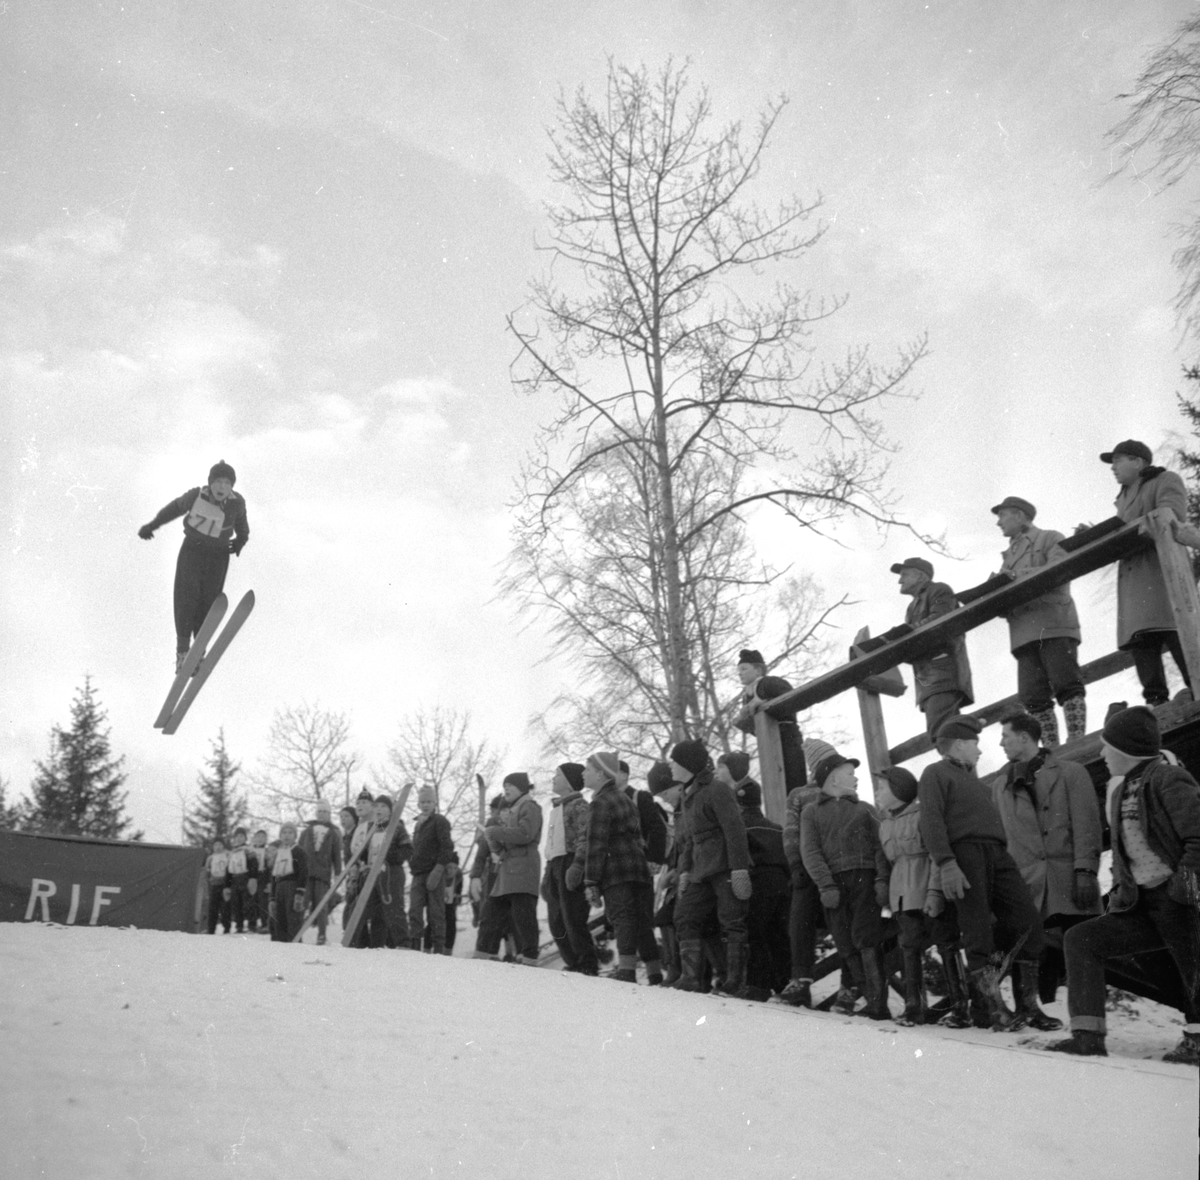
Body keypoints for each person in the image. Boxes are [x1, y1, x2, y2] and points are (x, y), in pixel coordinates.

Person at [1050, 707, 1200, 1063]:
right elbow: (1123, 856)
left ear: (1127, 750)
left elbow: (1198, 838)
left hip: (1178, 900)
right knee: (1082, 939)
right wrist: (1120, 894)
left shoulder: (1168, 779)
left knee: (1194, 967)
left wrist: (1183, 890)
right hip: (1140, 903)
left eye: (1108, 746)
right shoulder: (1120, 792)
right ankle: (1087, 1036)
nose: (1103, 754)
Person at [917, 715, 1050, 1030]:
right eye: (974, 744)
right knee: (977, 930)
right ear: (959, 744)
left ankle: (1028, 1006)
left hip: (997, 854)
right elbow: (931, 821)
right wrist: (947, 864)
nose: (979, 751)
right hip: (964, 855)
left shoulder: (978, 783)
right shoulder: (935, 773)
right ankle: (993, 1010)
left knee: (1028, 921)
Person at [992, 711, 1102, 1013]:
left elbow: (1087, 824)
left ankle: (1082, 1019)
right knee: (1031, 949)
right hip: (1026, 882)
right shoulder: (1000, 786)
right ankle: (1036, 1012)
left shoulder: (1071, 773)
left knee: (1077, 949)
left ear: (1024, 738)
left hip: (1068, 878)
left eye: (1005, 736)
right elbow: (1001, 839)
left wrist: (1085, 871)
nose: (1001, 743)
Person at [800, 751, 891, 1020]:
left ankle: (878, 1004)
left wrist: (881, 879)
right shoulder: (811, 812)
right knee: (844, 940)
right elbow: (810, 851)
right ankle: (870, 997)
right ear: (833, 778)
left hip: (865, 879)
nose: (855, 778)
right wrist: (825, 885)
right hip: (834, 885)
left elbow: (880, 847)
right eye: (850, 774)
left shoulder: (865, 809)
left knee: (867, 937)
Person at [991, 496, 1086, 746]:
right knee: (1032, 696)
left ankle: (1077, 741)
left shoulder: (1050, 538)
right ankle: (1051, 748)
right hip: (1023, 633)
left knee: (1066, 683)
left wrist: (1013, 576)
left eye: (1003, 516)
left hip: (1053, 624)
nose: (999, 523)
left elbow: (1060, 568)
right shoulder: (1007, 557)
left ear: (1020, 516)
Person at [137, 460, 249, 672]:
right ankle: (182, 652)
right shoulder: (196, 496)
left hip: (218, 556)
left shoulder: (237, 503)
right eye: (218, 482)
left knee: (208, 602)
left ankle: (198, 653)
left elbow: (242, 525)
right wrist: (152, 525)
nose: (222, 487)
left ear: (232, 486)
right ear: (210, 483)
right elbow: (173, 509)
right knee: (187, 598)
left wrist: (240, 541)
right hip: (192, 552)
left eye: (227, 483)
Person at [1104, 440, 1192, 705]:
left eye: (1118, 461)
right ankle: (1157, 706)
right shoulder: (1122, 498)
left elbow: (1172, 515)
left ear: (1138, 462)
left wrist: (1122, 531)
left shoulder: (1164, 480)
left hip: (1161, 573)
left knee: (1180, 637)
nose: (1113, 468)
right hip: (1134, 584)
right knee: (1143, 644)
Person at [876, 765, 965, 1027]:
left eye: (882, 788)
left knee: (946, 944)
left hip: (927, 890)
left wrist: (935, 892)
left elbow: (936, 854)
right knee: (908, 948)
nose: (877, 793)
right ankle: (913, 1008)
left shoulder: (923, 815)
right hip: (901, 897)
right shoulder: (884, 825)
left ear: (898, 790)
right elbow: (886, 862)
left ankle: (961, 1008)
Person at [669, 739, 752, 995]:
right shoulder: (687, 795)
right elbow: (688, 839)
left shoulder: (717, 789)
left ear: (687, 764)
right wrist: (684, 871)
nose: (671, 766)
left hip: (725, 865)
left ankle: (735, 982)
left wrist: (739, 869)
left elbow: (734, 830)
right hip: (699, 869)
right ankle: (690, 979)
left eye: (675, 761)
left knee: (732, 920)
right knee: (685, 915)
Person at [581, 752, 660, 984]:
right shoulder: (624, 798)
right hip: (638, 868)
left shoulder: (600, 803)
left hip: (615, 869)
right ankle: (655, 973)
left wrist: (591, 881)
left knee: (622, 918)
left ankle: (627, 972)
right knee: (642, 922)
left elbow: (596, 844)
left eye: (587, 769)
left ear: (600, 773)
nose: (583, 773)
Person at [728, 755, 791, 1000]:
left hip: (758, 882)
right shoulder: (775, 827)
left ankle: (758, 984)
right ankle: (784, 983)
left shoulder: (739, 826)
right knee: (778, 934)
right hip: (782, 883)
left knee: (756, 932)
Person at [779, 738, 834, 1008]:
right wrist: (795, 864)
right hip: (806, 868)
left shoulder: (843, 792)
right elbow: (790, 832)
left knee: (843, 923)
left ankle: (853, 984)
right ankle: (800, 981)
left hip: (836, 868)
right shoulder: (799, 795)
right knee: (799, 921)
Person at [891, 558, 974, 738]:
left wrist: (905, 635)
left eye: (904, 574)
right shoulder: (911, 607)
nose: (900, 580)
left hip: (943, 673)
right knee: (945, 731)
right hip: (927, 679)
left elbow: (940, 621)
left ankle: (960, 755)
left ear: (920, 576)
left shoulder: (939, 590)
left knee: (942, 732)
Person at [475, 773, 543, 964]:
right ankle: (479, 958)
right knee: (489, 916)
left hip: (523, 869)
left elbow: (526, 834)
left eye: (510, 785)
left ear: (521, 788)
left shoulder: (529, 806)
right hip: (507, 870)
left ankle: (529, 961)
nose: (505, 789)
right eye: (504, 785)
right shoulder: (513, 810)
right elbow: (506, 844)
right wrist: (494, 842)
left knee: (523, 918)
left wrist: (496, 832)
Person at [545, 762, 600, 975]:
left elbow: (584, 837)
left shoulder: (579, 806)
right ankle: (572, 961)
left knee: (573, 917)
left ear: (568, 782)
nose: (553, 779)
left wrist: (577, 865)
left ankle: (587, 963)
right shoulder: (556, 808)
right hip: (555, 865)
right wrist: (548, 872)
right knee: (556, 920)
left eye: (557, 775)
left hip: (570, 863)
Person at [733, 649, 807, 791]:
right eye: (739, 670)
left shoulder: (770, 682)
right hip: (768, 742)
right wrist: (745, 720)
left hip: (788, 737)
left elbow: (791, 696)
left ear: (758, 670)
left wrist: (762, 701)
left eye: (744, 669)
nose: (740, 673)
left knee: (794, 781)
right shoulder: (746, 697)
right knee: (775, 785)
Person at [356, 794, 412, 949]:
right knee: (367, 909)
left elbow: (408, 850)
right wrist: (362, 856)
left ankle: (403, 944)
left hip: (391, 873)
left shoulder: (397, 828)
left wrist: (390, 856)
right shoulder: (371, 828)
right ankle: (370, 945)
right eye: (376, 806)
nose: (379, 809)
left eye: (383, 806)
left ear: (390, 810)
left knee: (393, 908)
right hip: (372, 873)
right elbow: (365, 852)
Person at [408, 786, 455, 954]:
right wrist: (412, 863)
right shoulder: (418, 824)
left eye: (429, 801)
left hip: (434, 872)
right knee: (414, 910)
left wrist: (439, 869)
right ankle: (415, 947)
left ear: (434, 803)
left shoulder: (439, 821)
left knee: (436, 912)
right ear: (418, 804)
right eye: (422, 802)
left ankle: (438, 949)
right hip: (418, 873)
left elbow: (447, 847)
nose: (425, 805)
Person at [298, 800, 343, 946]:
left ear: (329, 814)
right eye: (320, 811)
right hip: (306, 874)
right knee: (303, 903)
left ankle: (322, 935)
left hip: (323, 875)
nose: (322, 814)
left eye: (325, 812)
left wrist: (338, 872)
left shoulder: (333, 833)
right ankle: (297, 933)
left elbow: (336, 855)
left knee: (322, 905)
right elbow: (298, 852)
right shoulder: (306, 832)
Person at [267, 822, 309, 943]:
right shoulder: (279, 853)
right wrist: (272, 897)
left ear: (295, 835)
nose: (287, 835)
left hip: (292, 887)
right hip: (279, 888)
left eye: (290, 833)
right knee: (279, 919)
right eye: (284, 833)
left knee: (293, 919)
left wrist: (299, 892)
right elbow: (274, 876)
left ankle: (295, 945)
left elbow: (303, 872)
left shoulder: (299, 852)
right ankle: (281, 946)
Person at [225, 827, 254, 935]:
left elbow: (253, 864)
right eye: (237, 836)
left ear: (245, 838)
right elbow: (228, 869)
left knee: (248, 902)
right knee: (236, 903)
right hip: (235, 879)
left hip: (245, 877)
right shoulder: (232, 852)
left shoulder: (248, 850)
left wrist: (252, 878)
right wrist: (227, 884)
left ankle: (251, 925)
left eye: (241, 836)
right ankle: (239, 926)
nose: (239, 838)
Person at [204, 838, 231, 935]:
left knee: (225, 907)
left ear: (223, 846)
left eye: (220, 844)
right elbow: (206, 871)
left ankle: (227, 929)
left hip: (225, 884)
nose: (218, 847)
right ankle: (211, 930)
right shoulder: (210, 858)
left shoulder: (228, 854)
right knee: (212, 908)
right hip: (214, 884)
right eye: (215, 845)